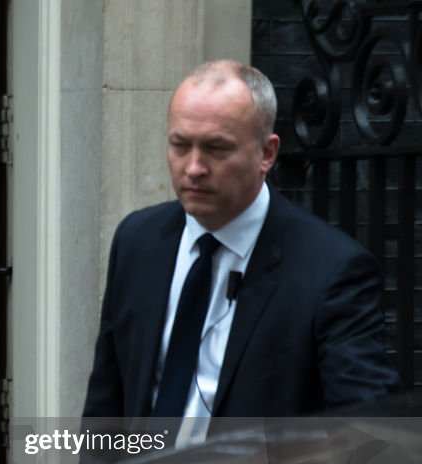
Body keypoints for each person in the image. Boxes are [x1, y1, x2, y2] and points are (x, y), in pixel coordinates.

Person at [83, 60, 398, 423]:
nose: (194, 167)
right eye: (180, 145)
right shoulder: (137, 241)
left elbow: (365, 429)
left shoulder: (332, 271)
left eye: (216, 149)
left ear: (267, 153)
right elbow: (106, 403)